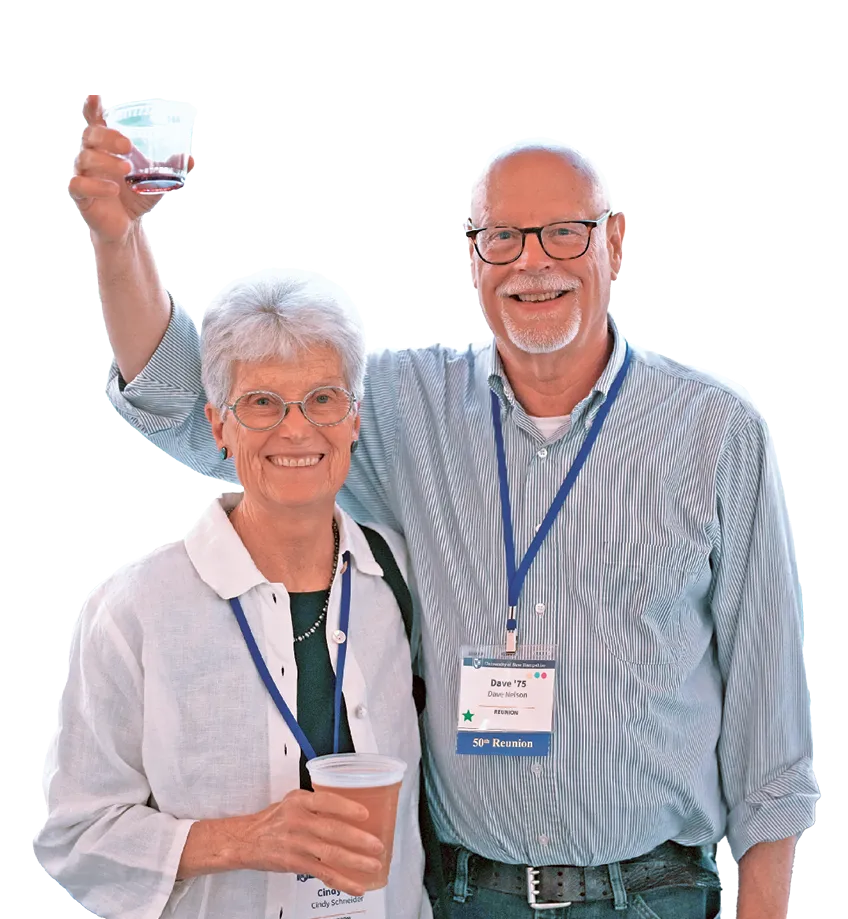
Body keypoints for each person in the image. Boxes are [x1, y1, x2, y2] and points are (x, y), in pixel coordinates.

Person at [71, 97, 818, 918]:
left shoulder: (715, 430)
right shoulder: (397, 406)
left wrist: (765, 909)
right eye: (501, 238)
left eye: (564, 232)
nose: (533, 262)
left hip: (657, 891)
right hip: (466, 894)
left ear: (614, 239)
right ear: (473, 258)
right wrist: (119, 238)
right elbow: (189, 402)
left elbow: (766, 700)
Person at [35, 275, 432, 919]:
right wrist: (242, 840)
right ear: (219, 425)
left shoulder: (399, 576)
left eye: (323, 399)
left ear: (353, 418)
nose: (297, 429)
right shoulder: (141, 607)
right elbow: (75, 840)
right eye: (262, 403)